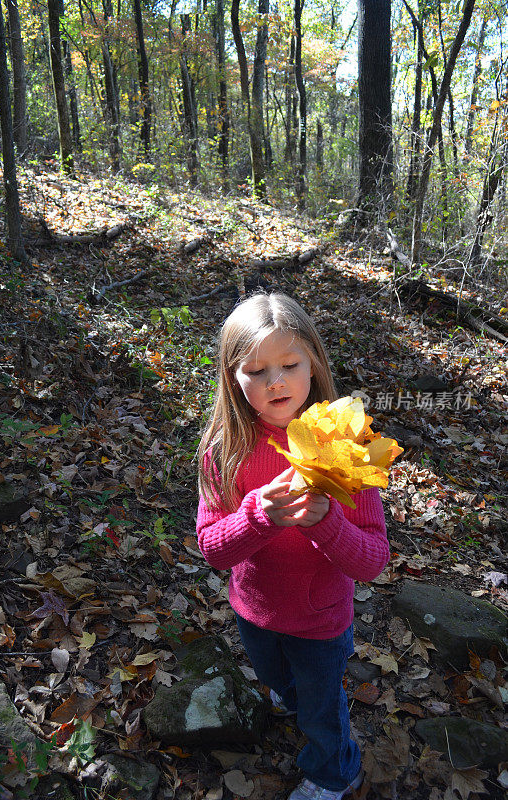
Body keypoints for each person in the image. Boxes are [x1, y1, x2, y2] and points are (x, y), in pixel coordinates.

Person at [197, 292, 389, 800]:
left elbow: (372, 560)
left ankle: (333, 771)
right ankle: (288, 697)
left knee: (322, 710)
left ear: (314, 364)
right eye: (255, 370)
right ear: (232, 377)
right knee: (279, 680)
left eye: (288, 364)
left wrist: (325, 522)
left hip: (320, 621)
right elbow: (214, 548)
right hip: (255, 612)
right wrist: (259, 517)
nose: (274, 381)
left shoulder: (348, 444)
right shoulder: (227, 450)